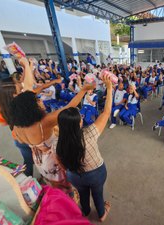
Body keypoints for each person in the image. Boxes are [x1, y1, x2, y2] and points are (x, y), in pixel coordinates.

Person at [10, 79, 94, 191]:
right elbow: (70, 106)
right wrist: (83, 90)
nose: (41, 102)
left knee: (51, 182)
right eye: (37, 101)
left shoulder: (17, 126)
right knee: (63, 185)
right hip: (53, 161)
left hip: (39, 159)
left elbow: (20, 141)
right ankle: (69, 201)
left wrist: (39, 145)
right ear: (30, 108)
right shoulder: (44, 122)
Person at [56, 74, 112, 222]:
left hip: (74, 175)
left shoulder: (59, 141)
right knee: (98, 194)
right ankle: (101, 214)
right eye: (80, 117)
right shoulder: (90, 133)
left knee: (82, 194)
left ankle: (85, 211)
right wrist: (110, 88)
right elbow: (106, 112)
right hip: (96, 173)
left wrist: (69, 171)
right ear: (79, 123)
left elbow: (60, 161)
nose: (82, 117)